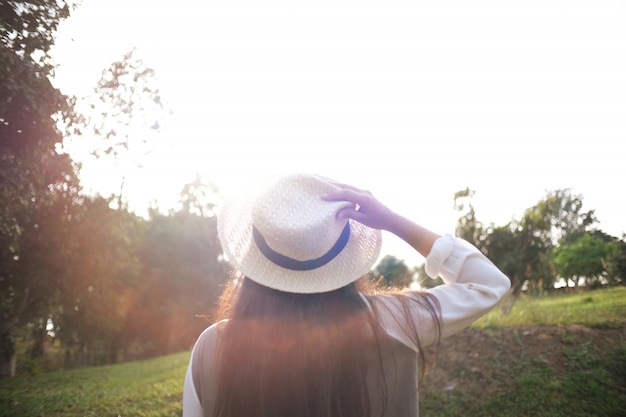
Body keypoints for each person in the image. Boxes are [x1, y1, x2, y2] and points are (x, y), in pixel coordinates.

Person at [183, 173, 511, 417]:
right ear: (342, 254)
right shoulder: (393, 321)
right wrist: (395, 222)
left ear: (257, 258)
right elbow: (487, 284)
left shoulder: (213, 346)